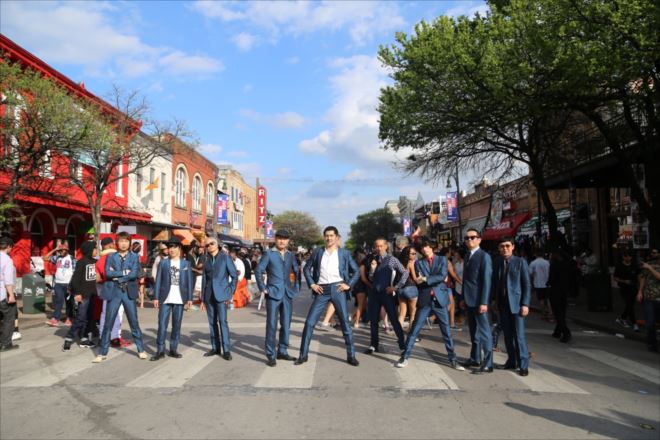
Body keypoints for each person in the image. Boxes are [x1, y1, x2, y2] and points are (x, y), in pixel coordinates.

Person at [396, 238, 465, 371]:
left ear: (431, 247)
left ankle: (453, 359)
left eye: (427, 246)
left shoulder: (442, 259)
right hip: (425, 299)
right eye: (422, 248)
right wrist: (427, 279)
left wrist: (426, 278)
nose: (425, 249)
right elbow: (420, 280)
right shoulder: (418, 263)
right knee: (414, 330)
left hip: (440, 299)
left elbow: (442, 276)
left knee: (446, 332)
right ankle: (405, 357)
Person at [296, 226, 360, 366]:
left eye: (331, 235)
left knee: (345, 323)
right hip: (321, 290)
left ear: (336, 237)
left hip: (338, 289)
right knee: (309, 322)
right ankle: (303, 355)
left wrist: (348, 284)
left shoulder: (344, 253)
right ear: (324, 237)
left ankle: (351, 356)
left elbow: (356, 271)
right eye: (326, 235)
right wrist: (312, 284)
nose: (329, 238)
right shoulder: (318, 252)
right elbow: (306, 269)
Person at [94, 232, 148, 363]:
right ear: (117, 243)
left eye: (126, 241)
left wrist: (117, 276)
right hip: (114, 291)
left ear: (129, 243)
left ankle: (141, 350)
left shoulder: (134, 257)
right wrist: (124, 272)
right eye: (121, 241)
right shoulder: (110, 256)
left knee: (133, 322)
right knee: (108, 322)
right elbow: (107, 273)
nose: (123, 244)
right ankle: (102, 352)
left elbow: (134, 274)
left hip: (128, 292)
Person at [254, 230, 299, 366]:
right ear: (275, 239)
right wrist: (263, 288)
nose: (282, 241)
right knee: (272, 324)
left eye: (285, 239)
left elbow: (296, 270)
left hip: (287, 294)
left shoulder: (291, 255)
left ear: (288, 241)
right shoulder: (269, 254)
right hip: (273, 293)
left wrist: (295, 287)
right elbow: (258, 270)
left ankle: (282, 351)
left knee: (286, 323)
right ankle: (270, 354)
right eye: (279, 238)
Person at [491, 237, 531, 376]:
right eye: (502, 246)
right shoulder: (497, 262)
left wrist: (525, 304)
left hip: (517, 305)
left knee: (519, 336)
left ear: (513, 247)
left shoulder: (520, 262)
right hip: (502, 305)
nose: (505, 248)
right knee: (507, 335)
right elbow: (495, 283)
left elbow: (526, 284)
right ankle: (511, 361)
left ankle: (523, 365)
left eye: (507, 246)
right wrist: (494, 300)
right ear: (499, 248)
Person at [365, 238, 409, 354]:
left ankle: (402, 345)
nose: (379, 248)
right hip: (374, 293)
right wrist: (372, 269)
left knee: (394, 319)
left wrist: (396, 287)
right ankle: (373, 345)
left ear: (386, 246)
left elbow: (405, 272)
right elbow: (371, 278)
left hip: (386, 293)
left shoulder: (392, 259)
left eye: (381, 246)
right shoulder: (374, 259)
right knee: (373, 320)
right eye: (377, 246)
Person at [151, 237, 193, 360]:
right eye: (170, 247)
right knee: (162, 325)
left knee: (176, 325)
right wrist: (156, 297)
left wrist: (189, 298)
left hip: (180, 298)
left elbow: (189, 281)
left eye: (174, 247)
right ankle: (160, 350)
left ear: (179, 248)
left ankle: (173, 349)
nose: (171, 250)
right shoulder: (163, 263)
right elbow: (158, 280)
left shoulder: (186, 264)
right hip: (165, 298)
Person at [460, 228, 494, 374]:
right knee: (473, 332)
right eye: (467, 238)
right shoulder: (467, 255)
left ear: (479, 240)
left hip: (480, 301)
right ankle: (475, 358)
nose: (469, 240)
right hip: (469, 299)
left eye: (473, 237)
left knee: (485, 333)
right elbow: (466, 280)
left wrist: (484, 302)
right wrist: (462, 297)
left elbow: (487, 281)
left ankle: (488, 363)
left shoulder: (484, 256)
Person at [201, 237, 237, 360]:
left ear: (217, 245)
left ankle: (226, 350)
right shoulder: (206, 260)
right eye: (207, 245)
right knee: (212, 323)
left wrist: (230, 291)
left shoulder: (225, 258)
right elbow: (204, 279)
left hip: (221, 295)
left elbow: (234, 276)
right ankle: (215, 347)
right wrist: (203, 298)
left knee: (223, 322)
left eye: (212, 243)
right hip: (209, 295)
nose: (209, 246)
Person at [63, 241, 98, 351]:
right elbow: (75, 280)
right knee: (80, 318)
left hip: (92, 295)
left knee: (88, 318)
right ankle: (68, 339)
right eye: (94, 248)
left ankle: (84, 338)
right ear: (89, 250)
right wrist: (77, 293)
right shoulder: (81, 262)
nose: (96, 250)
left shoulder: (95, 262)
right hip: (83, 295)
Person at [96, 237, 130, 348]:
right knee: (117, 314)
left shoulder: (100, 260)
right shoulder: (117, 257)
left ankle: (102, 337)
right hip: (118, 288)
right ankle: (115, 338)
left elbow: (97, 278)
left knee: (105, 313)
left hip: (106, 289)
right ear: (111, 245)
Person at [44, 242, 75, 326]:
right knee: (58, 301)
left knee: (69, 302)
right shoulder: (57, 258)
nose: (61, 252)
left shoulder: (72, 258)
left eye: (62, 250)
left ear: (67, 250)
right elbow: (45, 258)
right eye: (59, 250)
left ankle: (69, 318)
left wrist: (72, 284)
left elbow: (75, 272)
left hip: (68, 284)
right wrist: (54, 249)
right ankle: (55, 319)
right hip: (58, 283)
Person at [637, 248, 660, 352]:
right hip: (649, 298)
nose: (652, 254)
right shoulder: (648, 264)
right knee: (650, 322)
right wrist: (640, 291)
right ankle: (652, 344)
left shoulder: (649, 266)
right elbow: (643, 278)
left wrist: (650, 268)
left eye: (655, 253)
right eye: (652, 253)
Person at [548, 249, 572, 343]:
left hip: (555, 290)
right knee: (561, 311)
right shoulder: (567, 264)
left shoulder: (555, 265)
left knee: (557, 312)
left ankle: (565, 332)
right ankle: (557, 331)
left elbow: (551, 278)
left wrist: (548, 283)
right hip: (564, 291)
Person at [613, 250, 640, 331]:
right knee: (629, 305)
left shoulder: (634, 265)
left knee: (630, 305)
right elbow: (615, 278)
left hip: (633, 288)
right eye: (626, 256)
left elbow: (639, 276)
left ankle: (622, 318)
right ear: (623, 257)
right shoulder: (619, 266)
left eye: (629, 256)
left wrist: (640, 288)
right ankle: (634, 324)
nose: (628, 258)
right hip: (624, 288)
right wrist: (624, 281)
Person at [0, 236, 18, 352]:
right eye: (12, 247)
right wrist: (11, 295)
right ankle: (6, 343)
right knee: (9, 318)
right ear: (9, 246)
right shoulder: (7, 260)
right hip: (2, 294)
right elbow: (8, 280)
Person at [397, 245, 419, 333]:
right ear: (407, 254)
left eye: (415, 253)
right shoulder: (410, 263)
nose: (414, 255)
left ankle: (398, 332)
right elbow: (415, 278)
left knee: (402, 313)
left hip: (401, 289)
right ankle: (411, 332)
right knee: (413, 313)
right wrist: (423, 278)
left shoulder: (398, 263)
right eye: (412, 254)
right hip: (410, 288)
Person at [529, 250, 551, 320]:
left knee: (541, 299)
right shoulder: (547, 262)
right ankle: (550, 313)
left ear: (536, 254)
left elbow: (530, 273)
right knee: (548, 299)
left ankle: (543, 313)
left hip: (538, 284)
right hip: (547, 283)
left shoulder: (533, 263)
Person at [350, 249, 368, 329]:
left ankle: (352, 317)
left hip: (356, 286)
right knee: (361, 305)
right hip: (361, 286)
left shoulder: (354, 265)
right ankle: (356, 322)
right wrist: (370, 285)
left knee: (363, 305)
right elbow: (363, 279)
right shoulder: (362, 266)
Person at [131, 242, 146, 308]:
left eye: (139, 247)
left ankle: (141, 303)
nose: (138, 248)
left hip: (139, 273)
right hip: (135, 273)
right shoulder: (132, 255)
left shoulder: (137, 256)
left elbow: (141, 266)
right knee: (135, 289)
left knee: (141, 289)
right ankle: (137, 303)